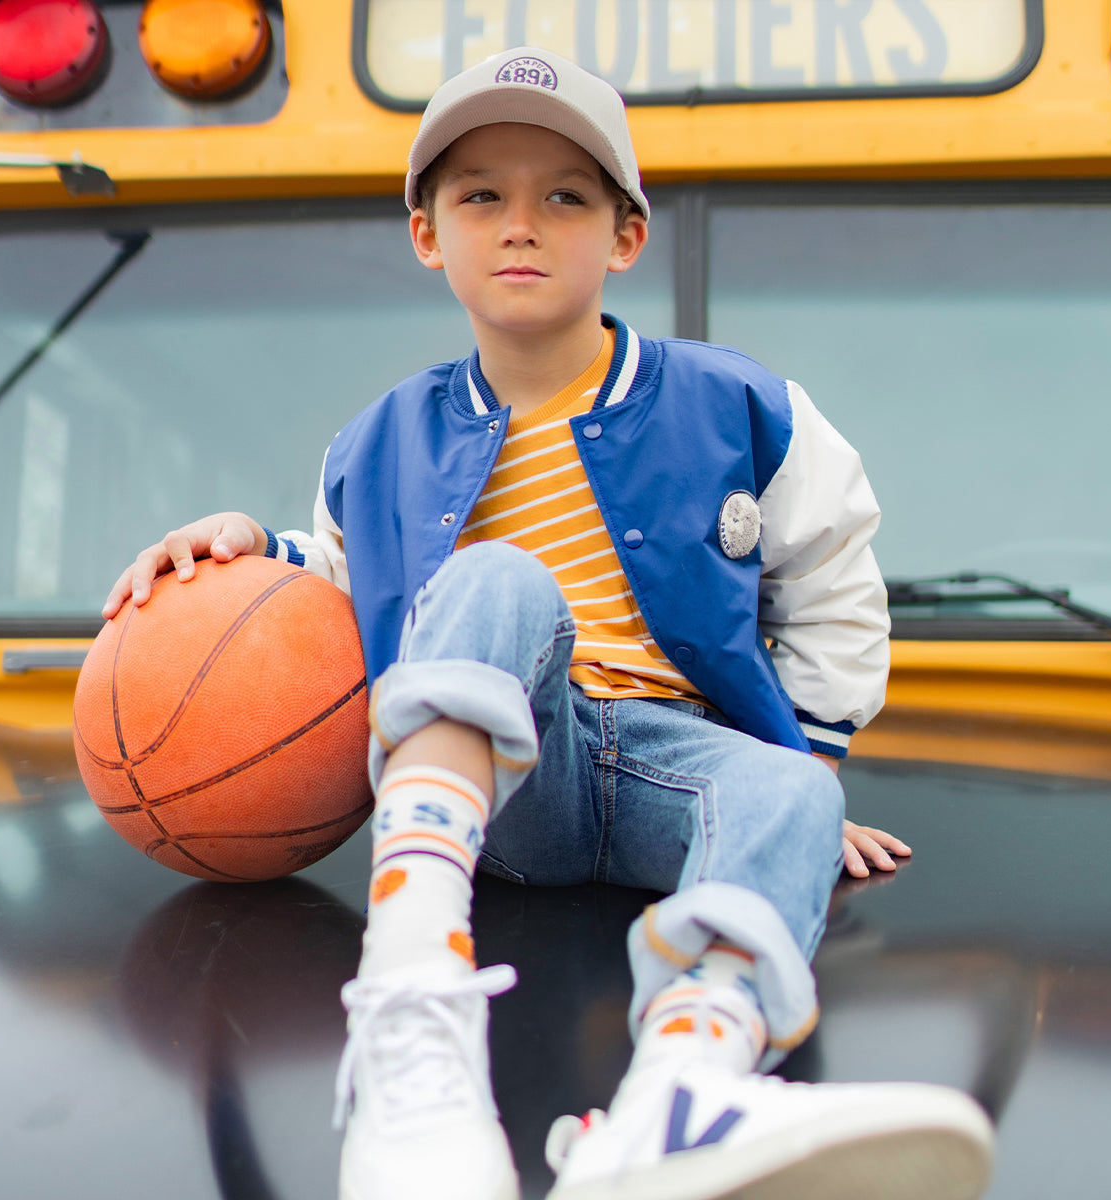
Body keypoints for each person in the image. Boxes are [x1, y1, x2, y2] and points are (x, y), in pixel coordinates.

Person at [103, 46, 994, 1200]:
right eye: (481, 195)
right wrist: (253, 548)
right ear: (427, 234)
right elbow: (347, 589)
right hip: (513, 775)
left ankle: (684, 1086)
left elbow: (830, 578)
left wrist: (809, 768)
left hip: (679, 756)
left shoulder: (744, 408)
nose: (521, 225)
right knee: (501, 580)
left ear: (626, 235)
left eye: (566, 197)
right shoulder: (376, 443)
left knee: (792, 795)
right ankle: (412, 981)